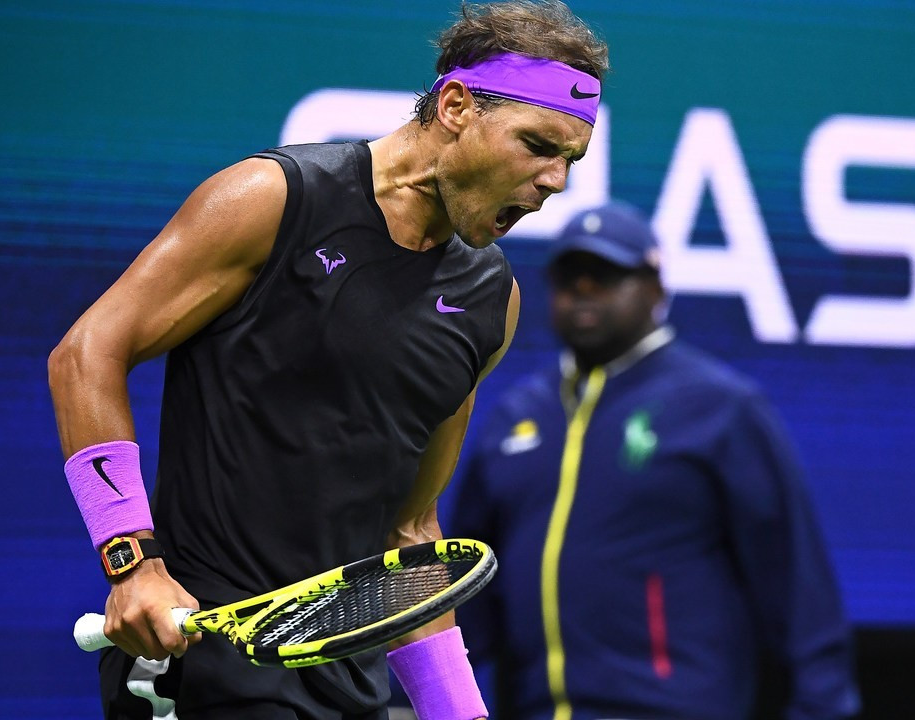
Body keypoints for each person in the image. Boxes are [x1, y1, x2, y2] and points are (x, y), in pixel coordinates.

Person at [46, 2, 609, 718]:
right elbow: (87, 352)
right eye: (537, 145)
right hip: (202, 670)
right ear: (458, 106)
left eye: (570, 160)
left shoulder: (489, 299)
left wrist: (459, 714)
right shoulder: (274, 201)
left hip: (352, 693)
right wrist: (133, 564)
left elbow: (411, 536)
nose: (555, 181)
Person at [450, 201, 861, 720]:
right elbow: (466, 595)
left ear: (656, 287)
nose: (583, 289)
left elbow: (796, 581)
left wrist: (822, 705)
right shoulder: (516, 416)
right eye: (570, 275)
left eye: (606, 274)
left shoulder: (719, 408)